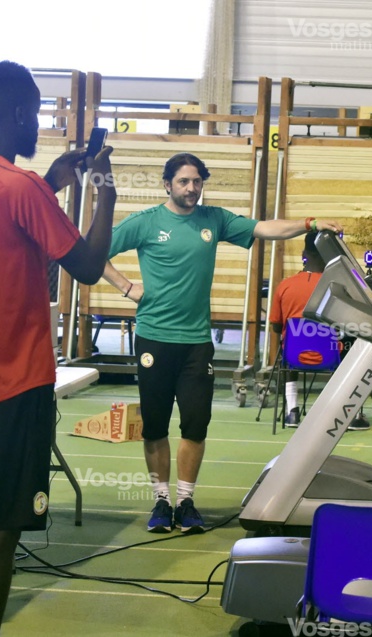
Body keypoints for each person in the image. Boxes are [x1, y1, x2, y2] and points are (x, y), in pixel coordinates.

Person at [0, 61, 116, 636]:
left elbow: (4, 227)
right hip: (18, 378)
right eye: (36, 113)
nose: (39, 125)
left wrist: (56, 180)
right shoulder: (23, 187)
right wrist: (104, 191)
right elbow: (87, 267)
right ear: (17, 113)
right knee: (3, 528)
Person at [102, 153, 342, 534]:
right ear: (167, 184)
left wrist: (308, 223)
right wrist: (127, 287)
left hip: (196, 341)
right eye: (183, 181)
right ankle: (161, 501)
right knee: (155, 427)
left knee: (196, 425)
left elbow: (265, 228)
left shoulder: (214, 219)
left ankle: (186, 501)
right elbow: (94, 251)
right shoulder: (145, 222)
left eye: (197, 181)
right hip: (155, 338)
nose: (191, 188)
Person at [268, 231, 370, 431]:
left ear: (304, 253)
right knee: (351, 343)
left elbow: (276, 327)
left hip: (294, 357)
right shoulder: (336, 287)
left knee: (288, 344)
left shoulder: (285, 285)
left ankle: (292, 411)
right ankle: (346, 413)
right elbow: (346, 324)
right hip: (329, 355)